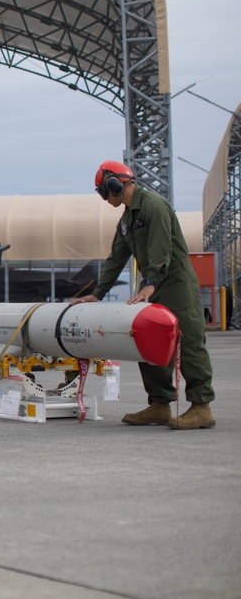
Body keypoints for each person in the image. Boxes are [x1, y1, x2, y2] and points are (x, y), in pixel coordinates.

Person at [69, 160, 215, 429]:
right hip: (152, 286)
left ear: (115, 185)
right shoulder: (127, 219)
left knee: (190, 342)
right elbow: (116, 258)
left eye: (103, 192)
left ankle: (201, 407)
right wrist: (98, 293)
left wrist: (150, 284)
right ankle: (159, 405)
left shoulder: (153, 206)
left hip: (176, 284)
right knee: (147, 343)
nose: (104, 198)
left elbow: (161, 248)